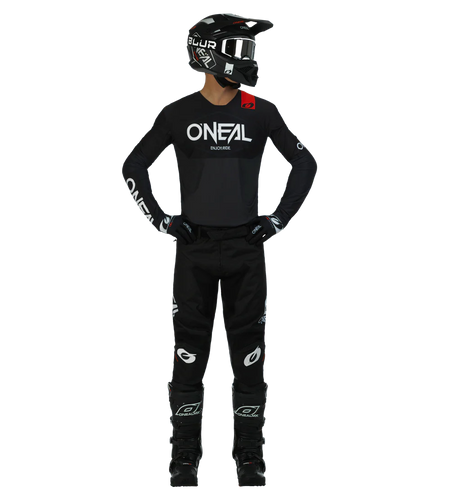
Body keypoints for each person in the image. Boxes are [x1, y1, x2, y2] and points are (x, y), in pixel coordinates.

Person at [120, 10, 319, 490]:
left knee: (250, 354)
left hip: (248, 249)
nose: (250, 56)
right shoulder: (176, 112)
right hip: (194, 250)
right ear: (208, 54)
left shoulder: (261, 109)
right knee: (187, 355)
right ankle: (184, 458)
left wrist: (278, 219)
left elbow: (306, 163)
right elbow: (132, 165)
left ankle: (250, 457)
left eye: (252, 47)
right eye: (240, 48)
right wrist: (162, 220)